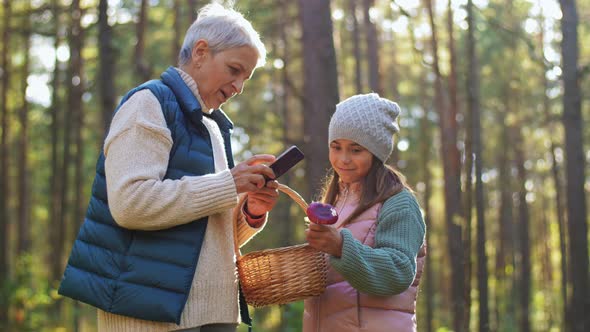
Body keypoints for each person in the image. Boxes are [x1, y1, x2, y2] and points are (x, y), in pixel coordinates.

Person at [58, 3, 278, 332]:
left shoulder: (214, 128)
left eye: (245, 77)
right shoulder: (148, 104)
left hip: (216, 312)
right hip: (152, 315)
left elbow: (211, 234)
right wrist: (229, 184)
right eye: (234, 70)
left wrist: (250, 213)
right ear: (201, 52)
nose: (239, 87)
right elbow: (131, 204)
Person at [303, 93, 427, 332]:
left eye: (356, 150)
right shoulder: (335, 202)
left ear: (376, 152)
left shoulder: (398, 202)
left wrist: (341, 246)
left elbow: (399, 271)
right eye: (336, 147)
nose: (343, 159)